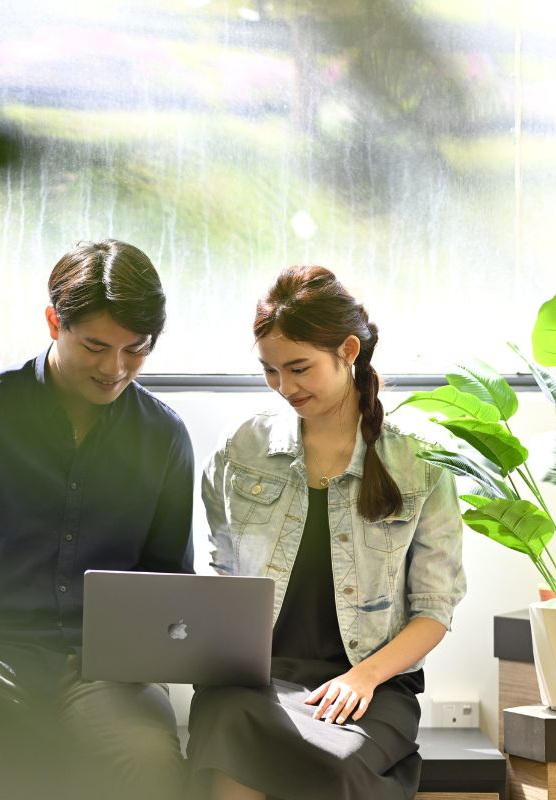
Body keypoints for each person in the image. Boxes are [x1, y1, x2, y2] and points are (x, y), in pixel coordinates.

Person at [0, 239, 194, 798]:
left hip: (109, 672)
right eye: (96, 346)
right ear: (55, 322)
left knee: (150, 761)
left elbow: (169, 581)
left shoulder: (164, 436)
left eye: (136, 350)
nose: (115, 369)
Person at [187, 265, 466, 800]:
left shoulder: (420, 464)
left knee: (338, 768)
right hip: (254, 682)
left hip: (372, 683)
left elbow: (435, 609)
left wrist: (363, 677)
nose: (285, 387)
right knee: (228, 745)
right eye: (271, 371)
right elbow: (218, 581)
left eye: (299, 369)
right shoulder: (240, 451)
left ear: (348, 351)